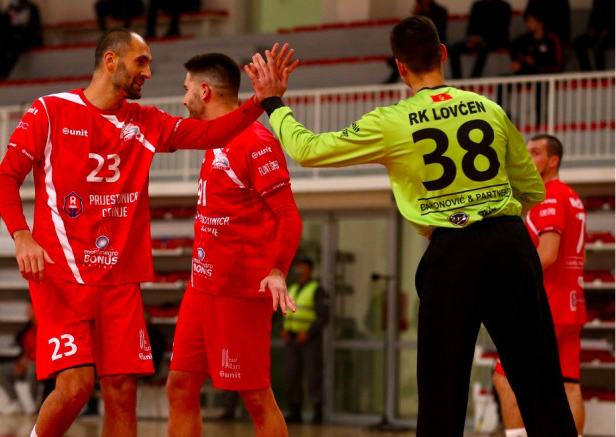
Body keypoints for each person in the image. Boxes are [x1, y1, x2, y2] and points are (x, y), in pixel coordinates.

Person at [246, 16, 578, 436]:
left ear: (400, 67)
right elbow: (532, 189)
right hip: (510, 244)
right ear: (443, 54)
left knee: (442, 391)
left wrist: (274, 102)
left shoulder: (392, 120)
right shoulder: (490, 109)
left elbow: (308, 150)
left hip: (452, 254)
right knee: (541, 384)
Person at [0, 29, 288, 437]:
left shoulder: (146, 121)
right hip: (62, 276)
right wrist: (21, 234)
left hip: (120, 282)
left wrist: (260, 101)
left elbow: (211, 133)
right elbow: (6, 179)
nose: (148, 71)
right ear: (111, 61)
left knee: (122, 390)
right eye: (141, 61)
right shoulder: (50, 110)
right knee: (76, 387)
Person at [166, 52, 302, 437]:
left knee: (256, 398)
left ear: (205, 91)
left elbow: (289, 216)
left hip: (238, 290)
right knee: (179, 385)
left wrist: (278, 270)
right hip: (201, 288)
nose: (184, 99)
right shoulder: (213, 139)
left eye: (187, 89)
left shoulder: (255, 141)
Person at [493, 134, 586, 437]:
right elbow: (578, 255)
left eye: (535, 152)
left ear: (553, 160)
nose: (529, 158)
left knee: (505, 378)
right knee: (568, 384)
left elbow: (547, 254)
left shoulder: (549, 195)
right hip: (572, 304)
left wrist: (508, 277)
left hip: (547, 302)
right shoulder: (572, 196)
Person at [280, 257, 328, 424]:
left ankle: (317, 411)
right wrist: (283, 329)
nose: (299, 269)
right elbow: (284, 311)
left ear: (310, 269)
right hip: (292, 340)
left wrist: (309, 333)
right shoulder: (292, 288)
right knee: (292, 375)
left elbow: (324, 316)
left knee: (313, 375)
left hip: (309, 340)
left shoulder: (317, 290)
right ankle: (295, 410)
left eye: (303, 266)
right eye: (298, 266)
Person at [507, 9, 563, 128]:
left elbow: (557, 64)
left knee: (540, 87)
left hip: (545, 76)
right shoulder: (524, 40)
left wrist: (536, 64)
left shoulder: (551, 40)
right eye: (527, 21)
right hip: (526, 74)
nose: (528, 24)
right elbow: (515, 51)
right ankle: (505, 117)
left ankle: (541, 122)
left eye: (531, 21)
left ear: (540, 23)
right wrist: (519, 63)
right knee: (503, 82)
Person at [385, 0, 448, 83]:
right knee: (406, 52)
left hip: (434, 42)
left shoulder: (440, 10)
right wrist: (415, 13)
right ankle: (393, 78)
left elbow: (435, 30)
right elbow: (412, 30)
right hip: (419, 43)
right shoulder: (420, 11)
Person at [449, 0, 511, 79]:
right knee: (454, 47)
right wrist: (471, 39)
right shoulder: (477, 5)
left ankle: (474, 78)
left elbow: (500, 30)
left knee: (484, 46)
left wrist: (480, 38)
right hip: (476, 39)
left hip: (496, 40)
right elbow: (471, 26)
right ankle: (457, 79)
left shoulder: (504, 6)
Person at [0, 301, 38, 415]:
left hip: (39, 365)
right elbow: (25, 352)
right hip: (28, 364)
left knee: (32, 371)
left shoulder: (45, 329)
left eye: (29, 310)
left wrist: (29, 364)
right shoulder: (26, 331)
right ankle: (15, 402)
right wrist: (21, 364)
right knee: (1, 371)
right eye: (26, 310)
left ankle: (33, 404)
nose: (27, 313)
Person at [0, 0, 42, 81]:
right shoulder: (11, 8)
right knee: (4, 45)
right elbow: (6, 24)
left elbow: (34, 27)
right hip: (13, 36)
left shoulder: (31, 8)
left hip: (27, 37)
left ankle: (4, 73)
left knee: (16, 47)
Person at [574, 0, 615, 71]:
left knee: (598, 45)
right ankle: (586, 71)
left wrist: (608, 30)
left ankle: (600, 72)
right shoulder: (597, 3)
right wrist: (591, 30)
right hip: (597, 34)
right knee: (579, 43)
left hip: (610, 35)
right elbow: (594, 18)